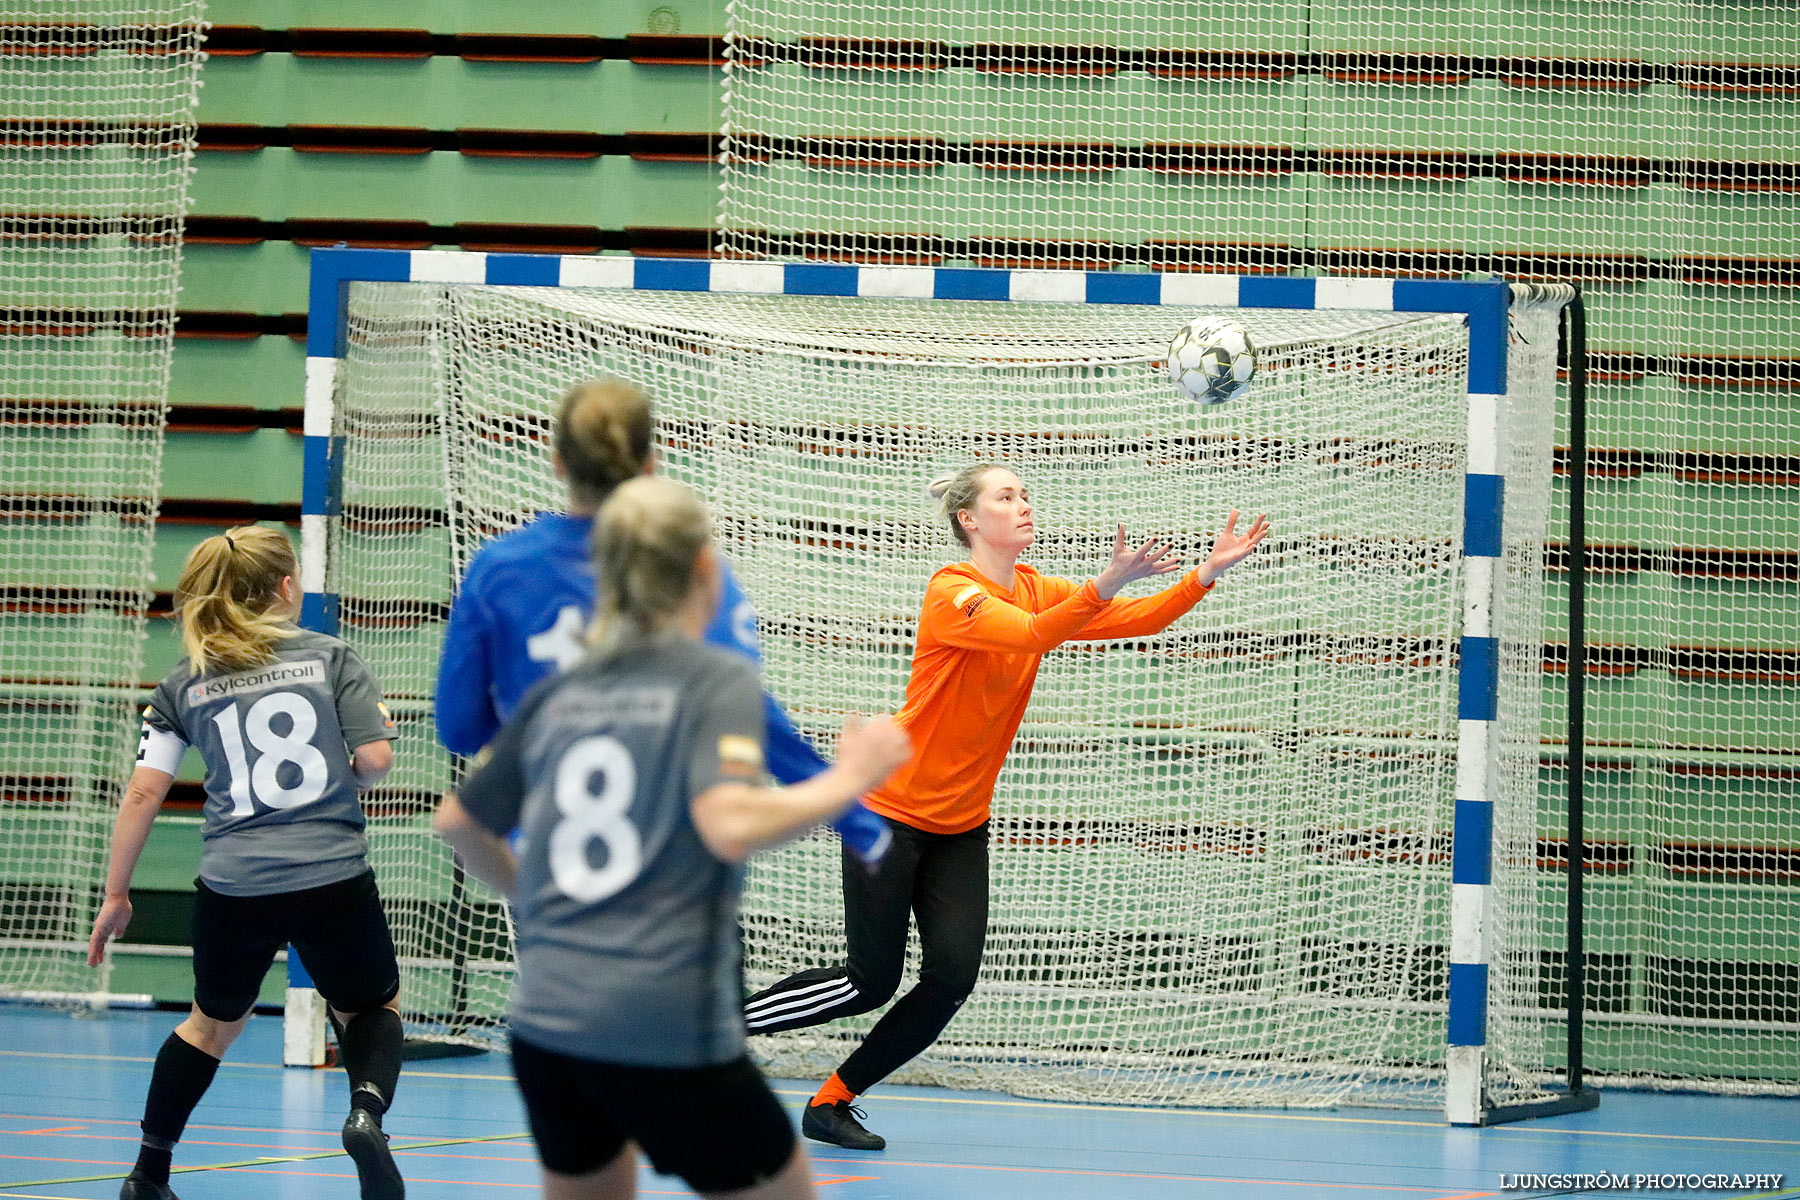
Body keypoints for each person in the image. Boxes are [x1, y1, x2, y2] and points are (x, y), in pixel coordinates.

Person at [743, 464, 1271, 1150]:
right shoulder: (950, 591)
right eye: (1006, 495)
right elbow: (1026, 635)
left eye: (1024, 494)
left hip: (960, 827)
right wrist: (1103, 583)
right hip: (889, 817)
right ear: (971, 519)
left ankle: (833, 1101)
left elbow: (1131, 618)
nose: (1023, 504)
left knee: (949, 980)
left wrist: (1203, 575)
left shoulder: (1033, 589)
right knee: (869, 982)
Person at [432, 477, 911, 1200]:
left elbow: (460, 822)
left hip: (547, 1018)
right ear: (703, 571)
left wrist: (534, 896)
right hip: (663, 1021)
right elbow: (727, 822)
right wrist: (851, 779)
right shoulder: (714, 678)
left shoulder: (562, 687)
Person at [434, 377, 890, 864]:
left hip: (552, 858)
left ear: (558, 461)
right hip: (677, 852)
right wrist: (858, 822)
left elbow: (460, 729)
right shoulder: (686, 564)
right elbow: (746, 710)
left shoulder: (499, 570)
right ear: (650, 464)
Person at [87, 526, 406, 1200]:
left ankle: (149, 1170)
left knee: (210, 1023)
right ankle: (363, 1113)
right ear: (287, 588)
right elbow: (375, 761)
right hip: (331, 874)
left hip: (235, 884)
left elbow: (145, 791)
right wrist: (354, 774)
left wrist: (116, 895)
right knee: (369, 1007)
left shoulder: (183, 683)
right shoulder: (330, 656)